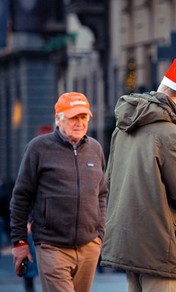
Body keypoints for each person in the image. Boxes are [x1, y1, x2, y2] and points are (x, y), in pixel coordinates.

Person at [100, 56, 176, 292]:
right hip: (160, 246)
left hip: (130, 241)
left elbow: (113, 177)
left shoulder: (125, 126)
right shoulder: (171, 134)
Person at [10, 92, 108, 292]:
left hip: (89, 246)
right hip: (51, 246)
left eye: (83, 117)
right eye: (73, 117)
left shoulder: (95, 149)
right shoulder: (38, 148)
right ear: (58, 118)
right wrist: (19, 242)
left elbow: (101, 194)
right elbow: (21, 197)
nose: (79, 123)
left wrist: (100, 234)